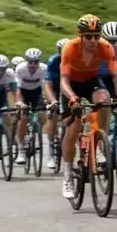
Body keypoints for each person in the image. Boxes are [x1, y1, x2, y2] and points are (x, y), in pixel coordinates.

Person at [59, 17, 117, 199]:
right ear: (80, 35)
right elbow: (63, 81)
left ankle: (100, 143)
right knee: (73, 129)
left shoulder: (105, 47)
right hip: (71, 85)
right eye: (88, 37)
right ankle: (68, 175)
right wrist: (72, 98)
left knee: (105, 100)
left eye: (96, 36)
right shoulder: (70, 48)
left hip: (91, 81)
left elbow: (116, 76)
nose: (93, 40)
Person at [14, 48, 47, 163]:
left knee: (42, 114)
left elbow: (45, 86)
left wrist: (47, 100)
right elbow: (17, 88)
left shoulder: (44, 68)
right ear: (26, 61)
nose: (33, 65)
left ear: (39, 62)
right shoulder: (20, 68)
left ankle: (36, 134)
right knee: (23, 117)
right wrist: (19, 102)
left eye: (36, 62)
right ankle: (21, 149)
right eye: (30, 62)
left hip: (36, 92)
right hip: (23, 92)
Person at [43, 38, 68, 170]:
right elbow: (48, 85)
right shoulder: (53, 61)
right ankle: (51, 152)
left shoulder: (75, 59)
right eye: (61, 51)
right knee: (53, 115)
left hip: (68, 89)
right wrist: (52, 100)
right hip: (55, 89)